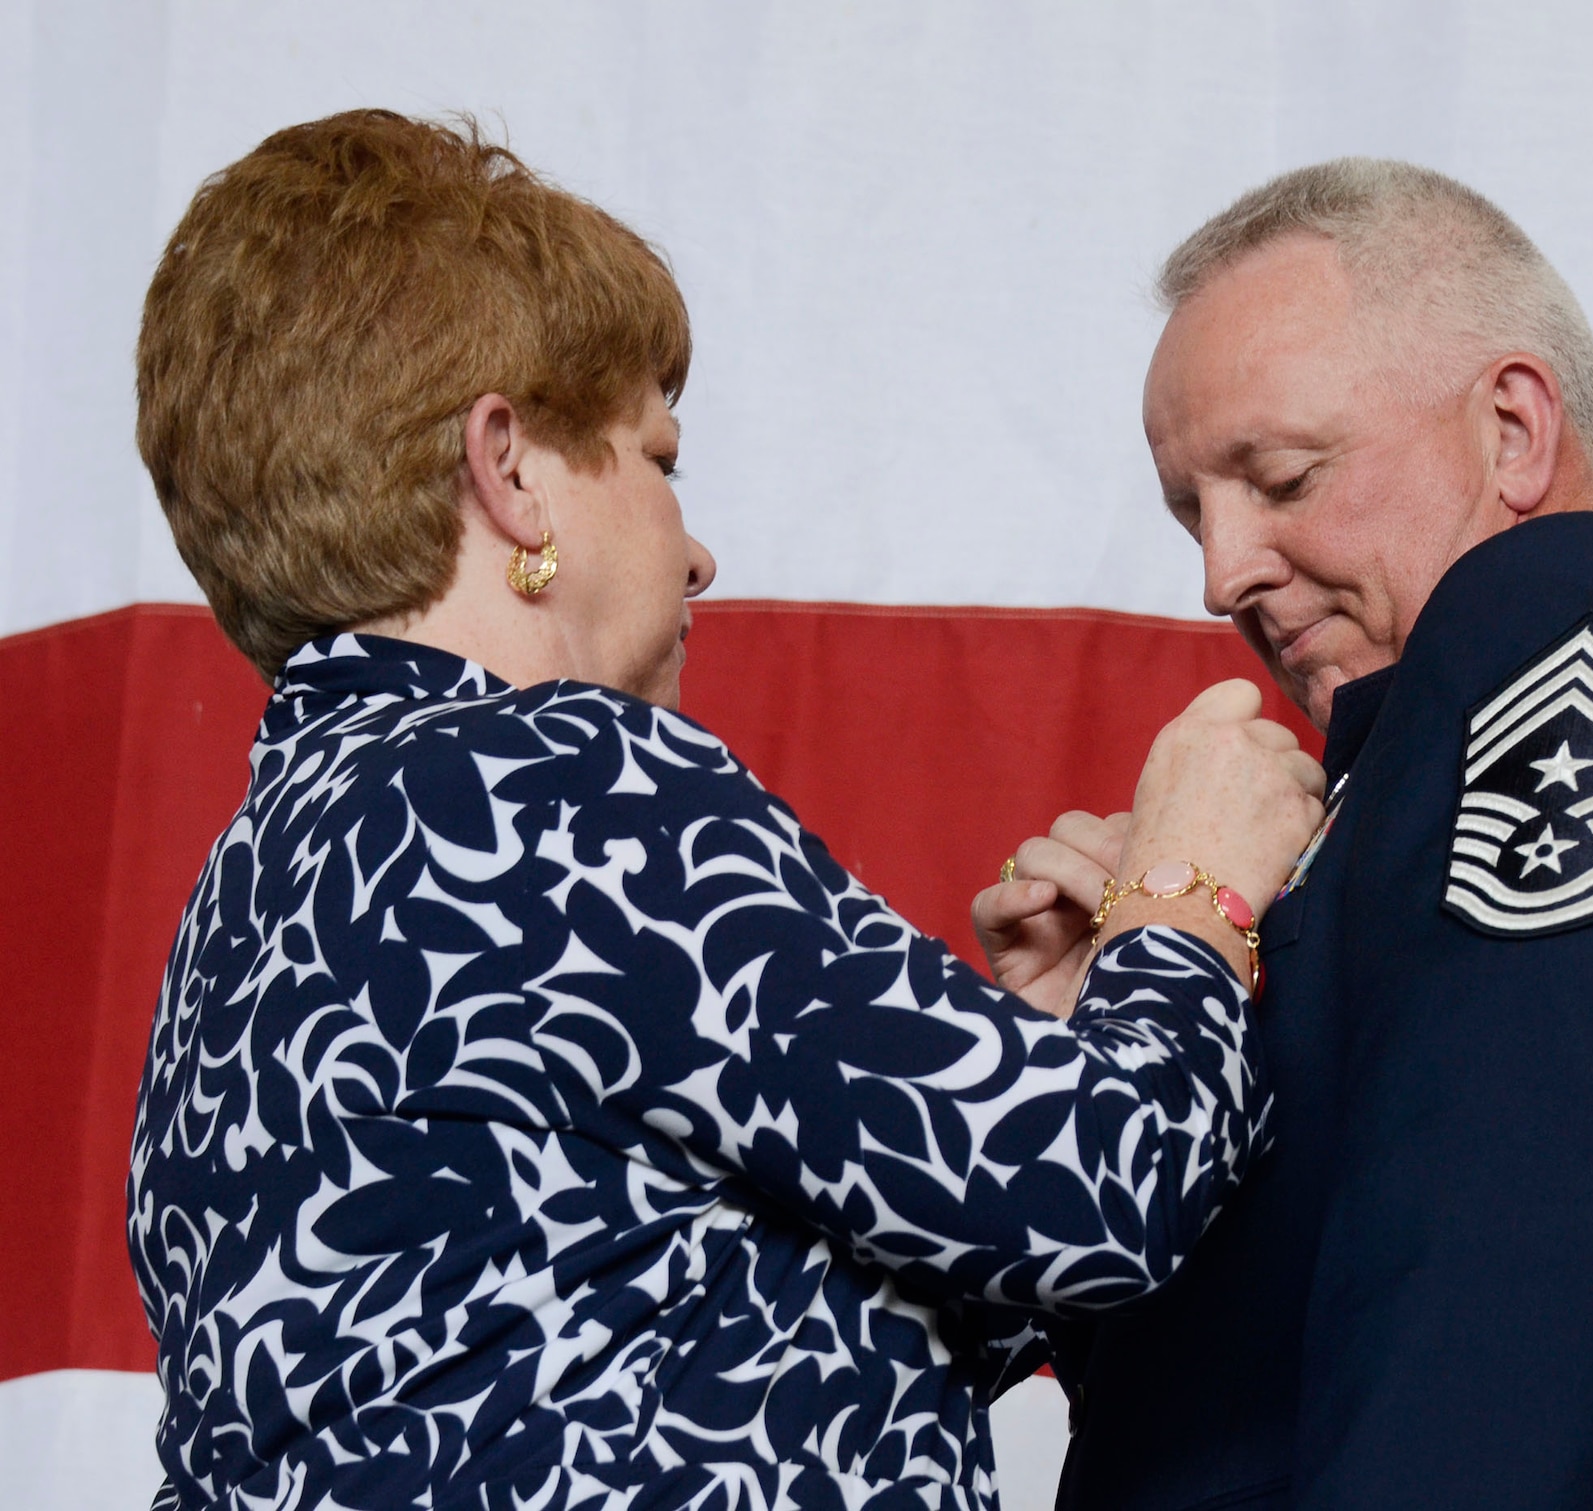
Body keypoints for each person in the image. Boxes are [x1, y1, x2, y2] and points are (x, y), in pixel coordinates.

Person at [124, 110, 1326, 1511]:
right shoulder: (558, 780)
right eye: (655, 458)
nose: (697, 552)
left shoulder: (239, 905)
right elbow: (1091, 1196)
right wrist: (1192, 900)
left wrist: (1076, 1039)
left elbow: (688, 1332)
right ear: (507, 469)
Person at [977, 160, 1593, 1508]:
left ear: (1512, 429)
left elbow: (1515, 1271)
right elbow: (1237, 1400)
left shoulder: (1570, 611)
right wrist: (1120, 1051)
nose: (1225, 573)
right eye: (1193, 512)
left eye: (1279, 476)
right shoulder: (1374, 822)